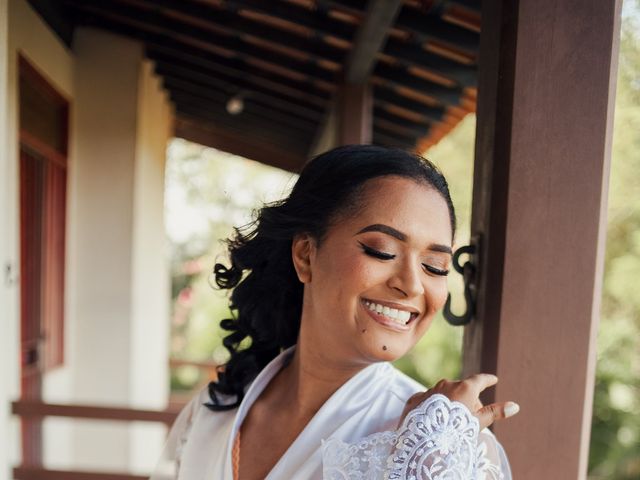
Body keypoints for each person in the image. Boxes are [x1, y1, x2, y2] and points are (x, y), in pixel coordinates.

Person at [151, 145, 518, 480]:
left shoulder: (443, 450)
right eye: (382, 250)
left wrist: (422, 461)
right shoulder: (214, 409)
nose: (413, 284)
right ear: (306, 255)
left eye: (435, 266)